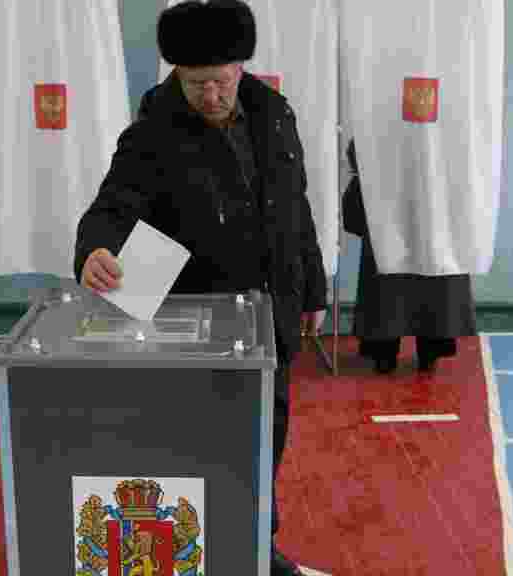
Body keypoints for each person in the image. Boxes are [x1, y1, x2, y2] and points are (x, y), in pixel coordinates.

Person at [73, 2, 327, 573]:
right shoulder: (153, 132)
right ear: (176, 76)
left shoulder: (274, 113)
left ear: (240, 67)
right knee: (204, 448)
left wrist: (311, 285)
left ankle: (257, 544)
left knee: (267, 441)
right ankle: (198, 550)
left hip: (272, 315)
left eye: (220, 81)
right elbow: (114, 204)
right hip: (202, 321)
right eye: (195, 84)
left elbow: (295, 206)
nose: (210, 96)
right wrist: (95, 250)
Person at [342, 140, 477, 374]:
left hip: (386, 216)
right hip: (431, 215)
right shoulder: (440, 124)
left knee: (386, 287)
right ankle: (429, 353)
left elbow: (358, 150)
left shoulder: (376, 115)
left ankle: (384, 354)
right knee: (431, 286)